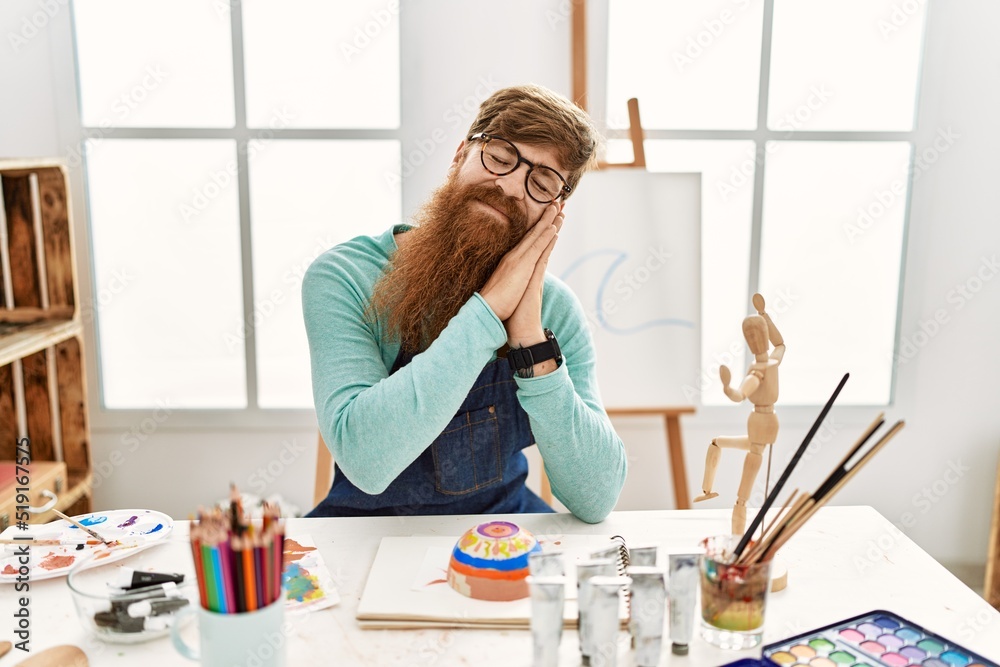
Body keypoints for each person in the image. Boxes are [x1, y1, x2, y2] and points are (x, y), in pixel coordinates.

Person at [303, 84, 627, 523]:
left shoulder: (554, 310)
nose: (511, 185)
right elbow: (366, 462)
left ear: (554, 210)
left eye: (542, 182)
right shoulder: (345, 276)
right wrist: (489, 311)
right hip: (364, 533)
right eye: (499, 156)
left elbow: (596, 497)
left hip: (503, 531)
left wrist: (531, 341)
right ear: (460, 154)